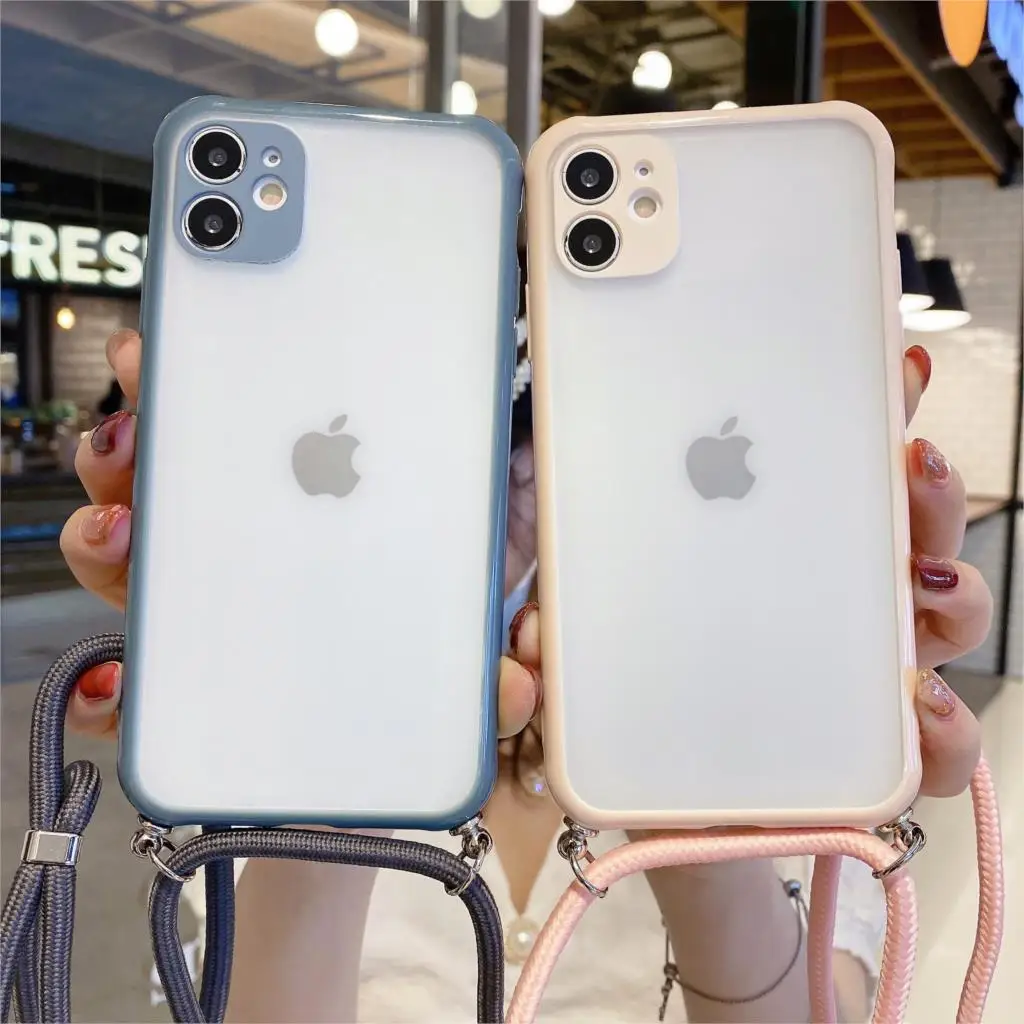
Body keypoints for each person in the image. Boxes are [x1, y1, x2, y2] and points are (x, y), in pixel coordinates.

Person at [61, 328, 988, 1023]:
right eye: (486, 477)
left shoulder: (778, 737)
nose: (520, 518)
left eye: (547, 479)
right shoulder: (279, 733)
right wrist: (335, 795)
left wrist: (703, 844)